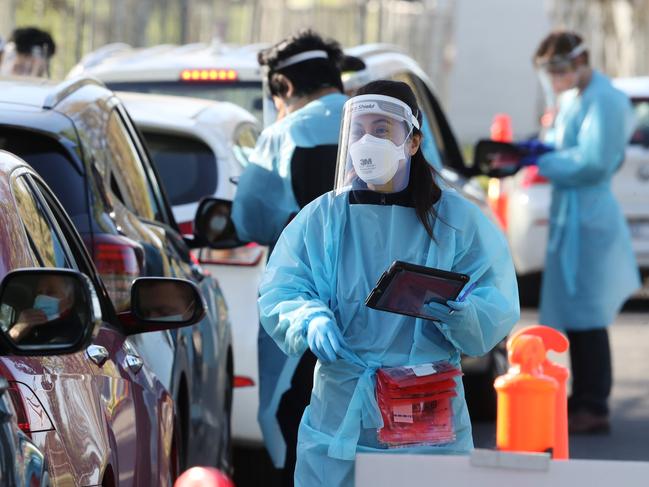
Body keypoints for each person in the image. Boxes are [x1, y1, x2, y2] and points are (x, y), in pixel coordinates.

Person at [258, 80, 520, 486]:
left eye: (382, 130)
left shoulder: (455, 220)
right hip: (341, 413)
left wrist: (463, 313)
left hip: (424, 409)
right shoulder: (325, 218)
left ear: (412, 142)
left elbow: (496, 299)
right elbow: (283, 288)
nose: (368, 141)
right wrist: (308, 317)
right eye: (359, 130)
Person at [231, 30, 348, 484]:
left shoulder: (285, 133)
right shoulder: (390, 125)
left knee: (296, 425)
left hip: (306, 315)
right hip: (391, 313)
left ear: (281, 87)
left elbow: (252, 220)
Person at [531, 31, 641, 434]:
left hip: (591, 217)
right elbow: (562, 147)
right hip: (573, 215)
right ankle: (582, 397)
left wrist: (543, 161)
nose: (556, 79)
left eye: (560, 71)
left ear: (579, 62)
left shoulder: (606, 100)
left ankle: (594, 404)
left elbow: (594, 162)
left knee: (590, 314)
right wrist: (539, 152)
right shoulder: (573, 97)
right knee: (577, 316)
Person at [10, 274, 80, 344]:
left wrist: (16, 332)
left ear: (69, 301)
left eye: (50, 292)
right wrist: (19, 329)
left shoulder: (73, 335)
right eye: (39, 293)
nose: (42, 297)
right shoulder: (29, 326)